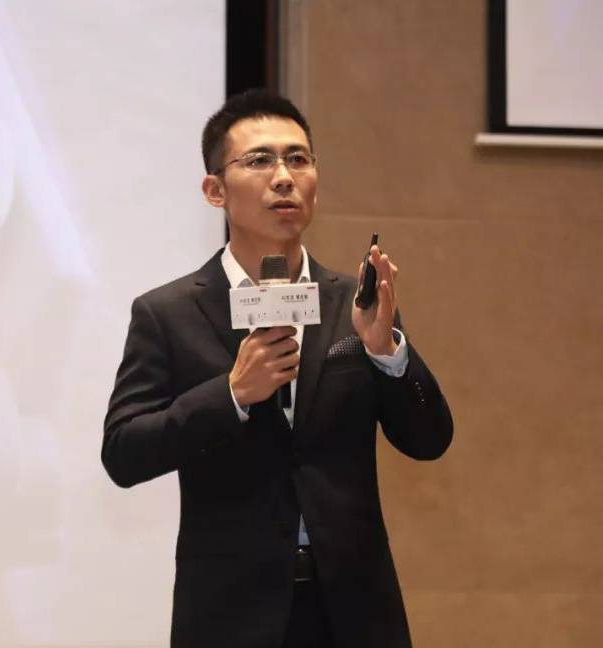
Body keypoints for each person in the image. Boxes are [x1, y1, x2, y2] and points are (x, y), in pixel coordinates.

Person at [102, 89, 453, 648]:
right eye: (260, 160)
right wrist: (232, 394)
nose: (284, 177)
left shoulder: (354, 304)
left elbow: (429, 440)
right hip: (230, 615)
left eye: (298, 159)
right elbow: (124, 452)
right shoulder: (167, 313)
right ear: (215, 190)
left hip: (354, 613)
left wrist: (387, 351)